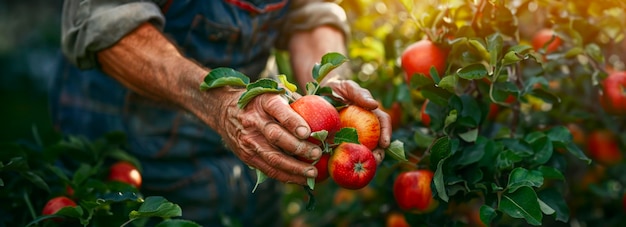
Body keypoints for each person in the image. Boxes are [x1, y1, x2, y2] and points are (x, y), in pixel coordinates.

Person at [52, 0, 391, 225]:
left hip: (260, 151)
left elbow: (311, 12)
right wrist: (220, 103)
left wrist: (330, 86)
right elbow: (108, 22)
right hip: (135, 158)